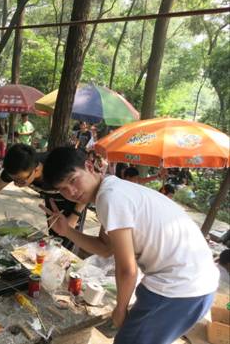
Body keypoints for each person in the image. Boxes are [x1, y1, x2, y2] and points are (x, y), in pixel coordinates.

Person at [41, 147, 218, 344]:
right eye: (63, 188)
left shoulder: (110, 197)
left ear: (90, 166)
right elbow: (106, 248)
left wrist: (120, 308)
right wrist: (68, 231)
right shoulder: (113, 189)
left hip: (179, 287)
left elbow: (127, 269)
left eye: (73, 180)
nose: (71, 192)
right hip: (196, 285)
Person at [0, 144, 85, 230]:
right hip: (52, 203)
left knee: (68, 238)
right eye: (13, 179)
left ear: (36, 170)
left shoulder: (56, 169)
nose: (15, 183)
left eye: (20, 180)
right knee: (52, 237)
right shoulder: (17, 169)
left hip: (75, 201)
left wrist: (74, 217)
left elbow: (85, 191)